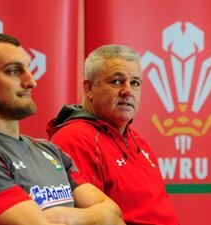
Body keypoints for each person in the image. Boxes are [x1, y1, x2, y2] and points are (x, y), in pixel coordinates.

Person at [0, 33, 125, 225]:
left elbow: (115, 216)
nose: (31, 81)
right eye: (12, 71)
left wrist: (70, 217)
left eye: (28, 68)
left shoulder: (49, 150)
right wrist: (95, 218)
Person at [47, 45, 179, 225]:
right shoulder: (75, 139)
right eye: (116, 81)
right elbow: (90, 220)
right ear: (89, 88)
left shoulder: (138, 139)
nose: (128, 91)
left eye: (135, 83)